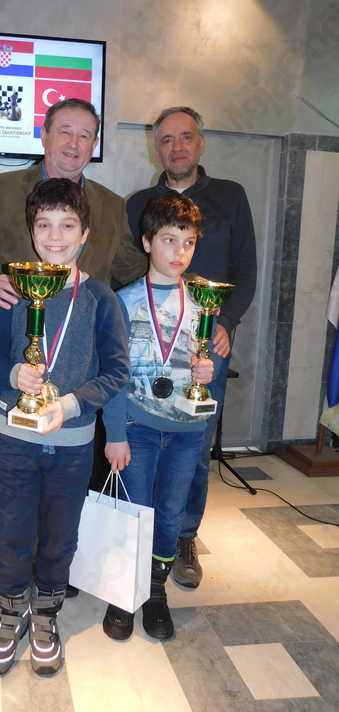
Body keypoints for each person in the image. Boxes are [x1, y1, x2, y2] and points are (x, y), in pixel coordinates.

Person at [0, 98, 146, 606]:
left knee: (66, 489)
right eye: (64, 131)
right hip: (15, 363)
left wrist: (189, 298)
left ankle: (56, 570)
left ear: (94, 144)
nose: (73, 143)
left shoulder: (111, 205)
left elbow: (134, 271)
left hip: (78, 374)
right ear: (43, 135)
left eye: (85, 135)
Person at [0, 178, 130, 676]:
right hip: (15, 442)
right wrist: (13, 375)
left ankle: (45, 615)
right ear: (31, 232)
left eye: (67, 225)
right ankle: (11, 615)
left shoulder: (101, 299)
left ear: (84, 233)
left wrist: (69, 404)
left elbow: (117, 372)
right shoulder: (13, 293)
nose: (55, 236)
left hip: (71, 446)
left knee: (60, 535)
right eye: (44, 225)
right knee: (12, 532)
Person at [126, 106, 256, 589]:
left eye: (186, 137)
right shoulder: (138, 203)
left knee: (195, 449)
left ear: (201, 143)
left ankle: (183, 537)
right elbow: (127, 269)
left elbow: (246, 270)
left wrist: (225, 322)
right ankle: (136, 541)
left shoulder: (231, 196)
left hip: (206, 349)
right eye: (166, 140)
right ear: (155, 149)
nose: (176, 147)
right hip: (150, 347)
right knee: (139, 444)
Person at [103, 191, 216, 641]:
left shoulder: (204, 300)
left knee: (170, 514)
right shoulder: (124, 300)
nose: (179, 252)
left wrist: (207, 370)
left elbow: (205, 361)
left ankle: (154, 590)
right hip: (138, 427)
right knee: (135, 511)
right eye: (169, 240)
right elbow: (113, 373)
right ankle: (123, 591)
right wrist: (115, 432)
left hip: (188, 431)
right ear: (147, 242)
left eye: (188, 243)